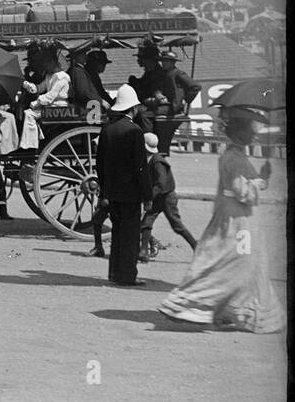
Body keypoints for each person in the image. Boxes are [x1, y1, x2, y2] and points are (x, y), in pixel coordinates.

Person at [158, 109, 285, 332]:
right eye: (250, 131)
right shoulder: (233, 158)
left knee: (237, 261)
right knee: (233, 261)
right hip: (236, 217)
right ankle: (198, 304)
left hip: (235, 215)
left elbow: (244, 185)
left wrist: (261, 178)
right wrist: (259, 183)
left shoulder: (234, 155)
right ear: (240, 133)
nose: (253, 135)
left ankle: (224, 307)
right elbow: (241, 191)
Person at [94, 85, 152, 285]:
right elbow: (140, 168)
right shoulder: (135, 131)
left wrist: (104, 190)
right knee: (129, 235)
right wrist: (147, 195)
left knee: (118, 233)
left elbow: (99, 163)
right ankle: (127, 275)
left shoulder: (107, 130)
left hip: (112, 191)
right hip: (131, 193)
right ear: (133, 109)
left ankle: (114, 272)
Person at [139, 133, 196, 262]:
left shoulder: (158, 161)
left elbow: (161, 182)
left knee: (176, 225)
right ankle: (143, 251)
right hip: (158, 197)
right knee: (146, 222)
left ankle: (196, 246)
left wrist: (149, 197)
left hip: (167, 198)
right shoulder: (151, 159)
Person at [19, 45, 70, 149]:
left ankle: (31, 144)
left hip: (59, 106)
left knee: (29, 114)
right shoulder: (49, 76)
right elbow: (39, 88)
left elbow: (50, 96)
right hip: (51, 106)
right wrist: (27, 85)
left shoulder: (62, 77)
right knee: (28, 113)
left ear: (52, 62)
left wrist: (36, 102)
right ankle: (33, 140)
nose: (45, 67)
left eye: (46, 64)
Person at [69, 49, 112, 114]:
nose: (86, 56)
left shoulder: (80, 71)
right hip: (85, 109)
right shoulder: (78, 71)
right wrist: (101, 101)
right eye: (83, 54)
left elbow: (100, 92)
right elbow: (83, 92)